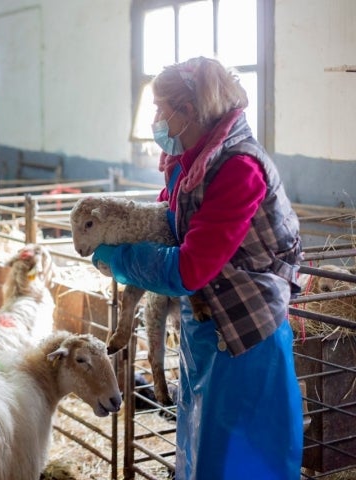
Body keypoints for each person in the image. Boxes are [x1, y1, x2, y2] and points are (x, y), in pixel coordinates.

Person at [91, 56, 303, 479]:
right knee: (199, 449)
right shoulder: (190, 164)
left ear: (188, 112)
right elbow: (169, 224)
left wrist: (118, 260)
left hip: (246, 335)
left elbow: (190, 268)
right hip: (204, 329)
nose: (155, 119)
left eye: (160, 109)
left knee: (240, 456)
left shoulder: (238, 167)